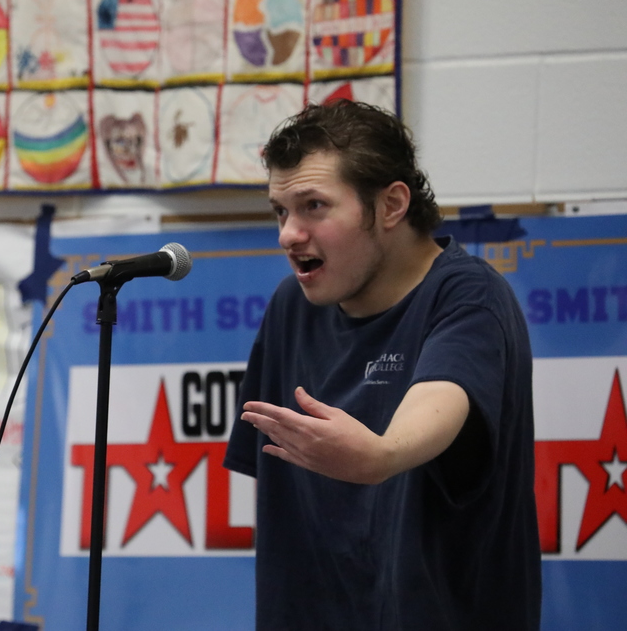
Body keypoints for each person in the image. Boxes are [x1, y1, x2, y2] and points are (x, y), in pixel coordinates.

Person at [223, 100, 540, 630]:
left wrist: (381, 456)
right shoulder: (288, 306)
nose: (288, 234)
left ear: (391, 205)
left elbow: (441, 399)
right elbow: (277, 493)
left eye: (314, 206)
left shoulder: (469, 295)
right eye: (281, 210)